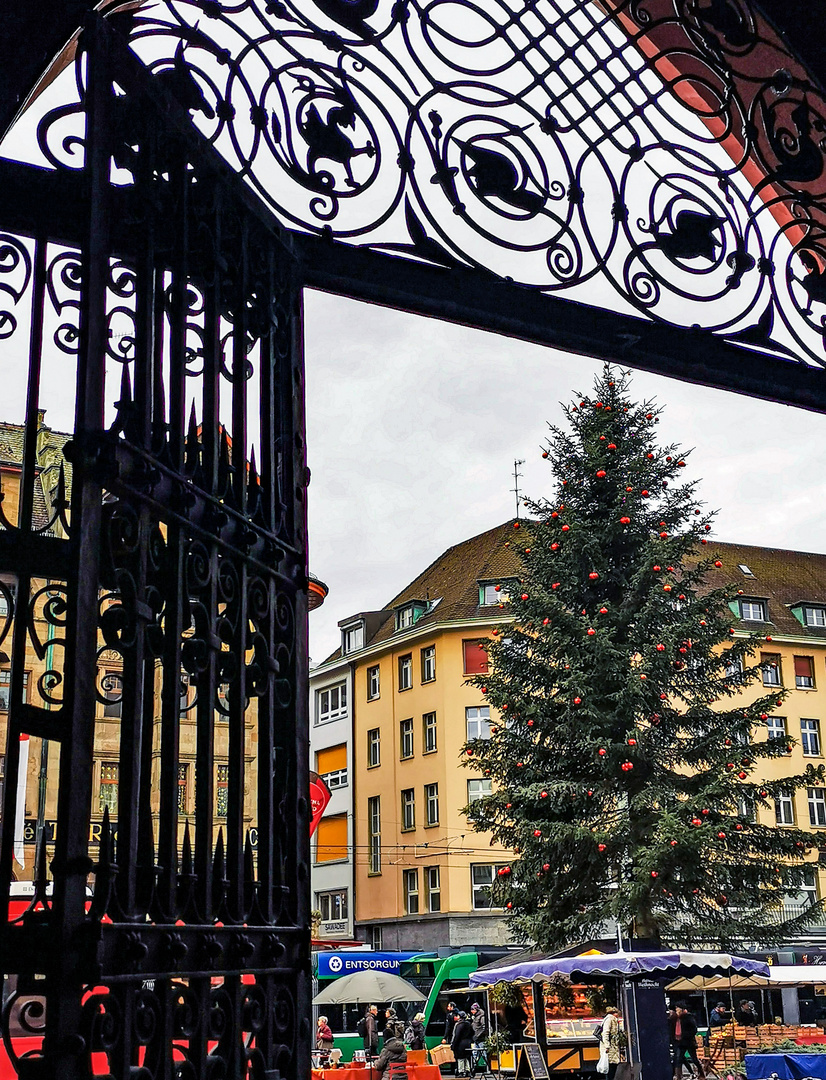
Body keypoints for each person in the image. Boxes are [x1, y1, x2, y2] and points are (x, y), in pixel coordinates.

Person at [673, 1002, 704, 1079]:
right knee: (678, 1058)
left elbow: (694, 1029)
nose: (676, 1010)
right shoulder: (676, 1018)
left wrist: (686, 1035)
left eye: (678, 1008)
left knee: (694, 1059)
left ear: (682, 1009)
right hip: (680, 1042)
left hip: (689, 1042)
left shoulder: (688, 1017)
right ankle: (678, 1076)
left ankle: (701, 1073)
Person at [599, 1005, 622, 1080]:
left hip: (612, 1047)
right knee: (610, 1066)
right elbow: (605, 1033)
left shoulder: (612, 1019)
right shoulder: (609, 1019)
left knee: (613, 1065)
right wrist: (607, 1046)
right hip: (610, 1048)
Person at [451, 1011, 474, 1077]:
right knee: (467, 1058)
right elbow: (472, 1033)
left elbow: (456, 1036)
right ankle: (468, 1071)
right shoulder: (469, 1024)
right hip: (468, 1043)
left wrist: (453, 1045)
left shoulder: (459, 1025)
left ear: (460, 1017)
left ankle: (460, 1072)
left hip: (460, 1044)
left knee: (460, 1058)